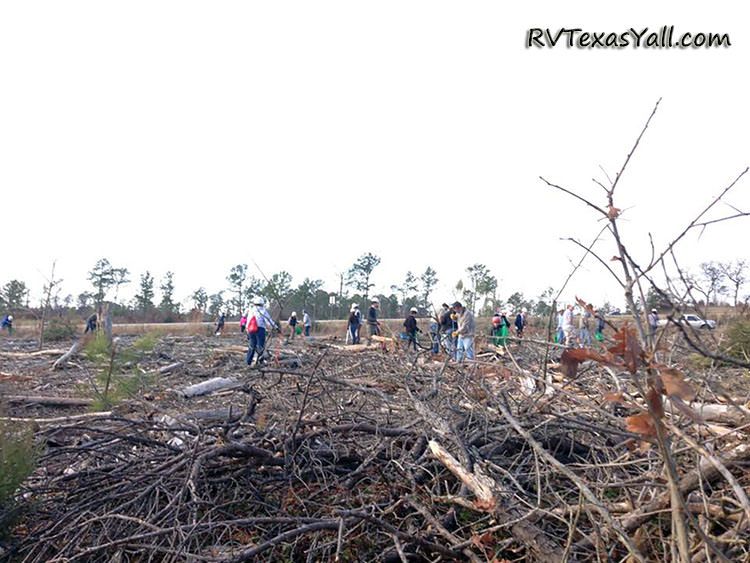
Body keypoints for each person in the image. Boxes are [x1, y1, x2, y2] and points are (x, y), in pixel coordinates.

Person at [245, 298, 278, 366]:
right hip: (260, 329)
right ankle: (259, 361)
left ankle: (248, 361)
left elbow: (248, 322)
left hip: (251, 329)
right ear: (262, 304)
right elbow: (268, 321)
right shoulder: (263, 311)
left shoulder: (251, 311)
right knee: (260, 346)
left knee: (252, 345)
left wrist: (247, 331)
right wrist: (275, 327)